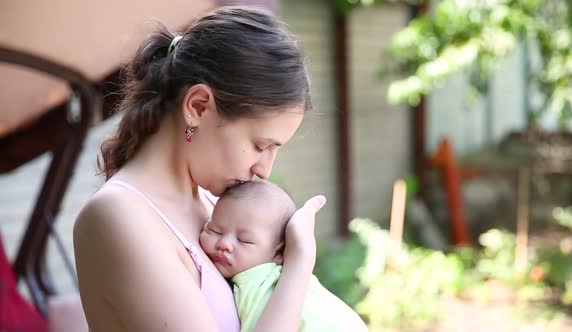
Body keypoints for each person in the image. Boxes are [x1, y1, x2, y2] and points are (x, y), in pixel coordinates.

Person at [73, 6, 326, 332]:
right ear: (198, 107)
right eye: (261, 145)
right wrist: (299, 262)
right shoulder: (118, 215)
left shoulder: (211, 204)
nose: (263, 169)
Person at [199, 180, 368, 332]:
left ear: (279, 253)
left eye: (244, 241)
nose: (224, 244)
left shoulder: (254, 283)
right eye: (214, 230)